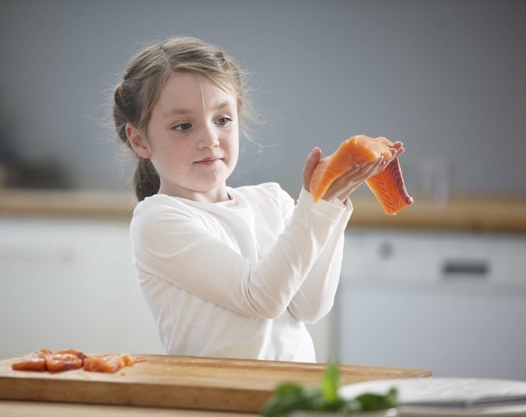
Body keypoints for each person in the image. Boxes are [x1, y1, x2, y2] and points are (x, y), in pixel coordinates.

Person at [112, 37, 404, 362]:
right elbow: (261, 298)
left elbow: (311, 306)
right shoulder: (157, 220)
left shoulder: (272, 201)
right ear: (139, 140)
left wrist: (331, 202)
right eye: (183, 126)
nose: (210, 139)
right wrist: (316, 208)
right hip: (221, 392)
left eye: (222, 120)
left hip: (293, 390)